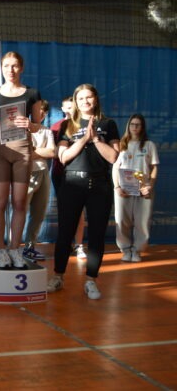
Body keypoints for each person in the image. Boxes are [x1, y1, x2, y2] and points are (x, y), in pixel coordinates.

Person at [47, 84, 120, 300]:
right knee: (65, 232)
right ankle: (58, 276)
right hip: (72, 183)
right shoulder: (67, 125)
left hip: (100, 184)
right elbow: (63, 157)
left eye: (89, 97)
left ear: (96, 99)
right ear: (76, 102)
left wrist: (96, 139)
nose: (85, 101)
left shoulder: (108, 124)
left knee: (97, 234)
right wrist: (83, 139)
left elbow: (114, 157)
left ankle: (91, 280)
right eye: (80, 98)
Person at [0, 51, 42, 269]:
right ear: (1, 68)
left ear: (22, 68)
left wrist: (29, 124)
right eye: (6, 65)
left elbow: (37, 125)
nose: (11, 70)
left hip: (22, 150)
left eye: (15, 65)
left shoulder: (32, 93)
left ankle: (15, 249)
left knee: (19, 202)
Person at [112, 114, 159, 262]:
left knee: (142, 222)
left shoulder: (149, 145)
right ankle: (125, 249)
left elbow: (154, 167)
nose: (135, 127)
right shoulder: (122, 144)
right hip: (124, 189)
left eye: (138, 124)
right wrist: (117, 186)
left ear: (142, 127)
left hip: (143, 189)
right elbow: (115, 167)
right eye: (132, 124)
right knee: (122, 221)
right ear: (128, 126)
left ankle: (137, 250)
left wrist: (149, 185)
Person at [51, 96, 86, 258]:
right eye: (67, 107)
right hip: (60, 173)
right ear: (63, 109)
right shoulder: (56, 127)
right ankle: (65, 244)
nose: (70, 110)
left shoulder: (84, 126)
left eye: (73, 107)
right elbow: (53, 151)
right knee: (64, 211)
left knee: (79, 211)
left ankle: (79, 245)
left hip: (79, 173)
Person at [23, 100, 56, 261]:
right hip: (25, 174)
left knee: (38, 213)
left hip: (43, 173)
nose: (41, 114)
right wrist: (41, 152)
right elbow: (21, 152)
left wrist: (33, 151)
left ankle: (29, 247)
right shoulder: (22, 129)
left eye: (44, 112)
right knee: (20, 212)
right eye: (38, 111)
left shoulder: (46, 131)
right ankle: (12, 247)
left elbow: (52, 152)